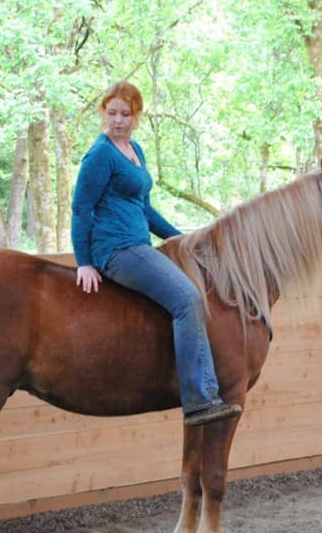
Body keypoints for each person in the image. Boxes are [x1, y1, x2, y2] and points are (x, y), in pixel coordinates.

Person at [70, 81, 242, 427]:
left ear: (136, 116)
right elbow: (81, 209)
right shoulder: (100, 155)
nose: (117, 120)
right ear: (103, 113)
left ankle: (202, 393)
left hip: (139, 244)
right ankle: (199, 399)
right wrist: (84, 261)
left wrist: (181, 238)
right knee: (187, 300)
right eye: (112, 113)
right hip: (116, 249)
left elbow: (145, 209)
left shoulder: (135, 152)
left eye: (125, 114)